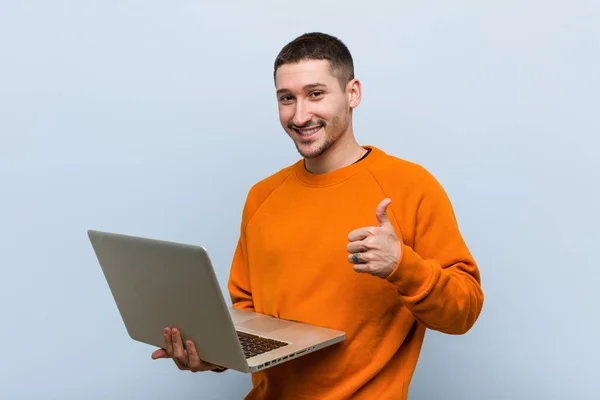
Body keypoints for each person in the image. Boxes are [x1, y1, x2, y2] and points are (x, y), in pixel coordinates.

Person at [152, 32, 484, 399]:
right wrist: (210, 355)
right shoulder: (262, 196)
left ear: (352, 93)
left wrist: (401, 265)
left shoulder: (412, 187)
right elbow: (246, 313)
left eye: (315, 94)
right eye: (286, 99)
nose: (300, 115)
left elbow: (464, 312)